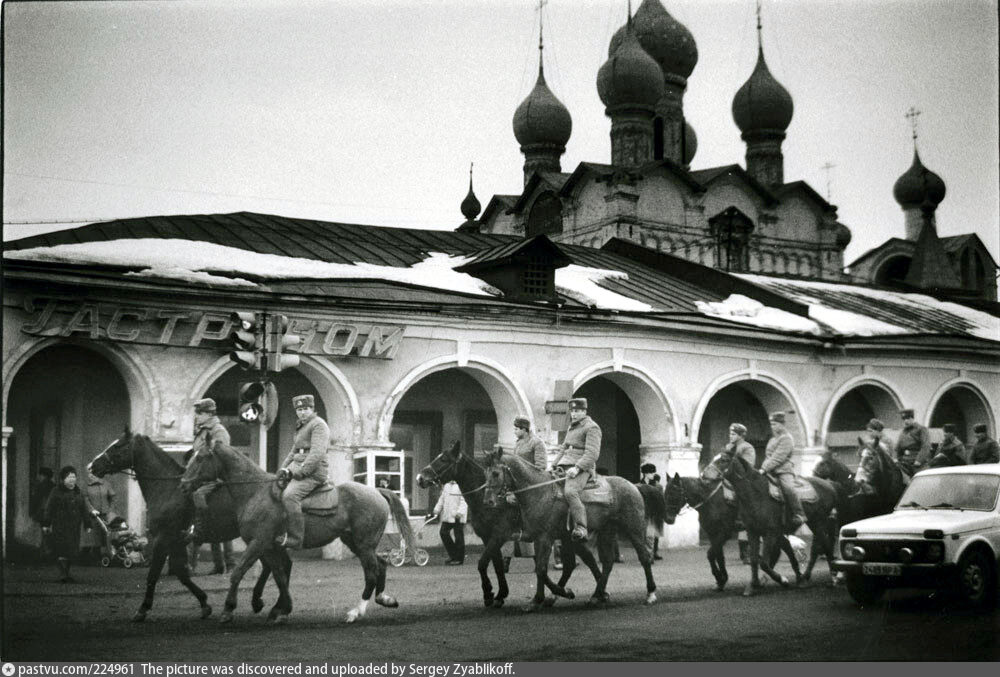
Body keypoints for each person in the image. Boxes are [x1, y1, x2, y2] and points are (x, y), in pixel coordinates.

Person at [184, 397, 235, 574]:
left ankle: (224, 560)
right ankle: (220, 564)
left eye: (199, 413)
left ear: (209, 414)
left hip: (215, 479)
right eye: (196, 413)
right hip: (200, 477)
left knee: (199, 501)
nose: (196, 416)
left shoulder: (218, 431)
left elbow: (222, 457)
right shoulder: (201, 431)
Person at [276, 394, 330, 549]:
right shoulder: (301, 426)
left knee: (289, 496)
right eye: (299, 409)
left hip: (314, 472)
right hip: (297, 468)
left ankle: (296, 538)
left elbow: (317, 453)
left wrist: (300, 472)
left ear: (312, 409)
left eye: (305, 409)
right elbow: (293, 452)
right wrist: (282, 469)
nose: (302, 412)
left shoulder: (318, 424)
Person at [551, 398, 602, 542]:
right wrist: (554, 464)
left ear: (584, 411)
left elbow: (592, 454)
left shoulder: (592, 427)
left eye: (577, 411)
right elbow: (564, 447)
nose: (573, 414)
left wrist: (577, 468)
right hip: (564, 464)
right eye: (572, 411)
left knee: (570, 491)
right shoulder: (572, 427)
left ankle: (581, 527)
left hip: (582, 467)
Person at [42, 466, 99, 583]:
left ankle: (66, 574)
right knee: (61, 550)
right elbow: (49, 508)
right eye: (69, 477)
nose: (72, 479)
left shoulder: (78, 492)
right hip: (60, 526)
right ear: (63, 479)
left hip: (74, 527)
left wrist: (87, 524)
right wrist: (46, 523)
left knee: (71, 551)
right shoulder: (56, 491)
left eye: (74, 477)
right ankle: (63, 574)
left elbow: (83, 509)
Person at [761, 412, 808, 535]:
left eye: (775, 424)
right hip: (770, 470)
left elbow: (778, 457)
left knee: (788, 488)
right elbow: (768, 456)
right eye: (771, 424)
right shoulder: (772, 439)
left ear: (782, 424)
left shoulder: (787, 438)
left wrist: (764, 468)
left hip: (783, 471)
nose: (773, 427)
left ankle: (799, 514)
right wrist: (763, 468)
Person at [720, 423, 755, 563]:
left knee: (745, 505)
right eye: (730, 434)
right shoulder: (728, 447)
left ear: (741, 435)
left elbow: (748, 466)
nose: (730, 436)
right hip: (727, 479)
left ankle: (745, 552)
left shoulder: (747, 447)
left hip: (742, 481)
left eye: (733, 434)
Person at [82, 467, 116, 563]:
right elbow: (85, 499)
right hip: (93, 516)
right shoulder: (86, 486)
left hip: (105, 514)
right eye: (89, 473)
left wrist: (110, 510)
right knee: (94, 537)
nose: (91, 475)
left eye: (93, 473)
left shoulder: (106, 484)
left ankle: (109, 556)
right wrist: (91, 510)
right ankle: (92, 558)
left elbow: (112, 498)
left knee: (106, 535)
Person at [433, 480, 468, 565]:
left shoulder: (461, 485)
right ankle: (453, 555)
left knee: (458, 537)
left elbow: (464, 500)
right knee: (443, 533)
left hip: (458, 516)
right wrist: (437, 509)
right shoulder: (446, 486)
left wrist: (460, 512)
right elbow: (442, 499)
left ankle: (459, 559)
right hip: (448, 515)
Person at [856, 418, 890, 493]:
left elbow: (890, 455)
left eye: (871, 431)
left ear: (878, 431)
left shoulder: (887, 441)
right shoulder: (869, 442)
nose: (869, 433)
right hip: (872, 467)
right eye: (868, 431)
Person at [894, 408, 932, 476]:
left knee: (919, 480)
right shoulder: (903, 432)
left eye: (908, 418)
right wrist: (896, 458)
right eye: (904, 419)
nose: (906, 421)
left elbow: (926, 446)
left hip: (917, 463)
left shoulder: (921, 429)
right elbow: (898, 448)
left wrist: (919, 460)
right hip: (904, 462)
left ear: (912, 418)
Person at [29, 467, 55, 558]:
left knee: (44, 530)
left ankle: (45, 550)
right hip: (50, 511)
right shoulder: (53, 485)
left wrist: (33, 511)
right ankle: (46, 549)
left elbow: (37, 499)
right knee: (47, 530)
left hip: (43, 511)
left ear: (44, 475)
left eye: (40, 475)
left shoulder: (41, 486)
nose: (39, 476)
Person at [638, 464, 661, 561]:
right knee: (643, 536)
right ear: (645, 473)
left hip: (652, 513)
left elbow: (660, 500)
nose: (653, 474)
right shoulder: (639, 485)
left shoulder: (657, 486)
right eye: (651, 472)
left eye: (653, 472)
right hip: (642, 513)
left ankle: (649, 556)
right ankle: (646, 555)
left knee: (650, 536)